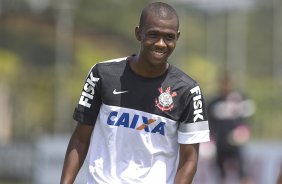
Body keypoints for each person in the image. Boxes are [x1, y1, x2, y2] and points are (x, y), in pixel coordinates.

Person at [60, 2, 210, 184]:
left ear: (177, 38)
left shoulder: (188, 91)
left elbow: (189, 161)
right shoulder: (102, 74)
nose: (161, 44)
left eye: (169, 37)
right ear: (138, 33)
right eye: (153, 34)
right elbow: (80, 140)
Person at [207, 73, 255, 184]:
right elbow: (208, 122)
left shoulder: (239, 99)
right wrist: (209, 140)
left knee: (242, 171)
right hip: (220, 142)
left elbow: (247, 120)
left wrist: (244, 131)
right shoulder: (214, 102)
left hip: (236, 142)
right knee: (220, 173)